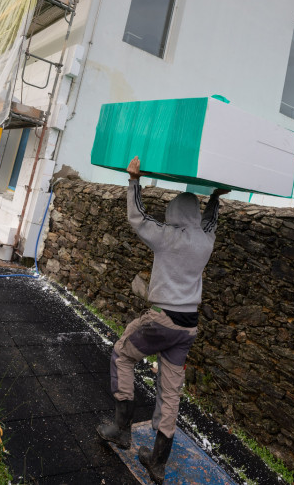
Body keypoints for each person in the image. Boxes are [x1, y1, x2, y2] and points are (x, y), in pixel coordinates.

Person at [97, 156, 229, 484]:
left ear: (172, 214)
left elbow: (136, 216)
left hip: (162, 321)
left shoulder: (166, 236)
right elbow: (211, 222)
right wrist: (214, 198)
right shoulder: (205, 240)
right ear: (194, 215)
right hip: (188, 328)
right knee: (170, 391)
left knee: (122, 354)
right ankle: (157, 463)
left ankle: (121, 429)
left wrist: (133, 179)